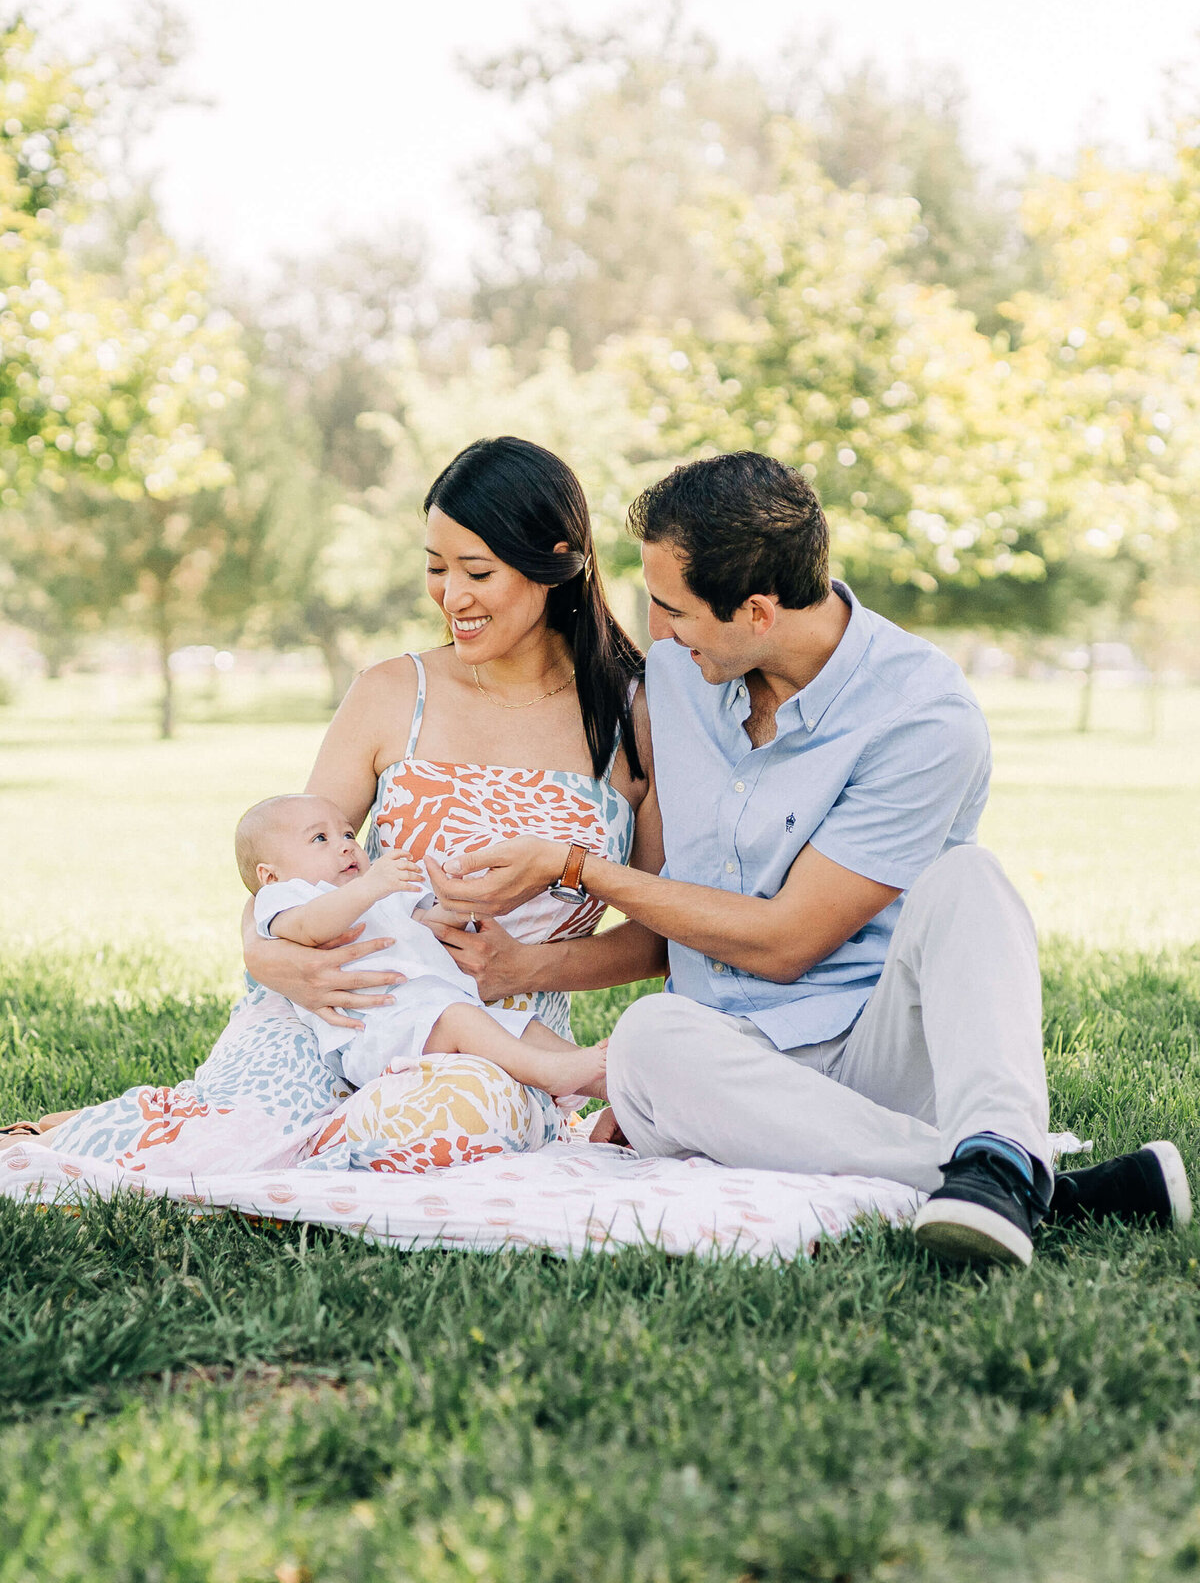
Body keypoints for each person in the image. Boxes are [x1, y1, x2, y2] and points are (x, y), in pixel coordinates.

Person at [427, 451, 1192, 1267]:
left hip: (875, 1052)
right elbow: (660, 921)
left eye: (673, 609)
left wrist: (575, 866)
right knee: (648, 1037)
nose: (657, 633)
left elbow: (789, 943)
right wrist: (515, 963)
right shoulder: (681, 680)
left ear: (757, 612)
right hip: (724, 1070)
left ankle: (998, 1149)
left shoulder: (922, 717)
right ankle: (1009, 1178)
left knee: (970, 880)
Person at [8, 438, 662, 1174]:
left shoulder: (635, 717)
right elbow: (288, 854)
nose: (453, 597)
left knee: (438, 1123)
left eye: (478, 571)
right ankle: (108, 1136)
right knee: (238, 1127)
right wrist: (264, 950)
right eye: (436, 569)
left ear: (558, 560)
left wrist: (524, 969)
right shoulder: (391, 692)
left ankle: (290, 1150)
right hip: (332, 1005)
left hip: (498, 1034)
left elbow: (660, 933)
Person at [240, 792, 608, 1098]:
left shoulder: (378, 893)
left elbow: (428, 926)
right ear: (269, 874)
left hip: (433, 1012)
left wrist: (458, 899)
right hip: (376, 1032)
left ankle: (613, 1085)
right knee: (461, 1019)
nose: (346, 847)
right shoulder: (285, 897)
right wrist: (370, 887)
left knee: (524, 1028)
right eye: (321, 839)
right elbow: (309, 928)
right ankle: (549, 1075)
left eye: (349, 835)